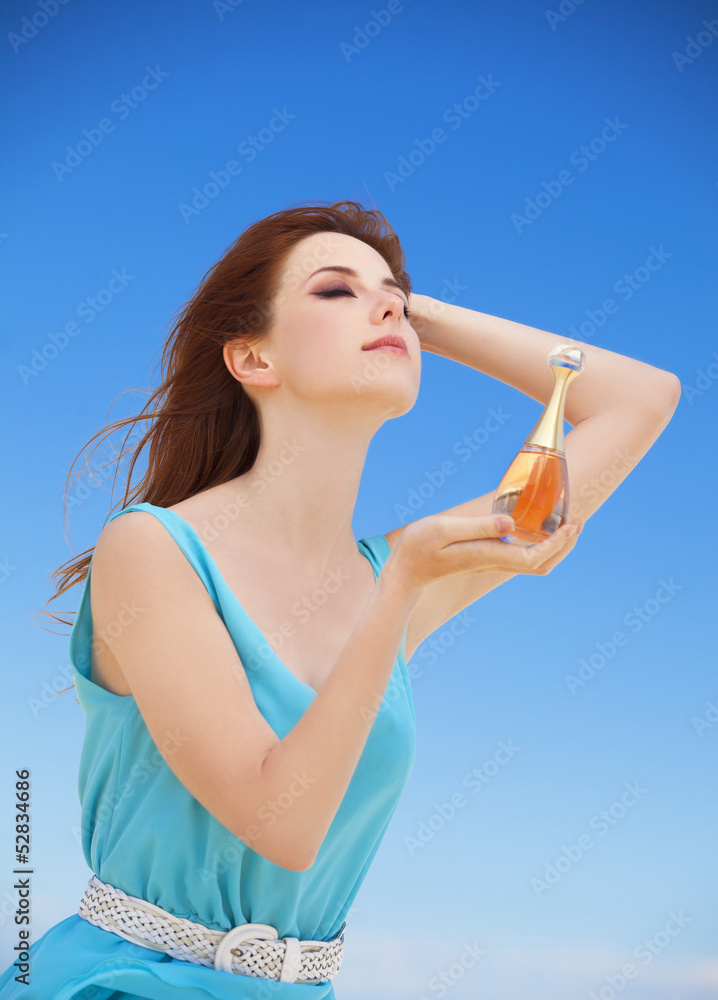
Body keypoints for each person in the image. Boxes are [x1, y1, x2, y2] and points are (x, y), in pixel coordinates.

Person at [0, 200, 680, 998]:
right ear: (253, 359)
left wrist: (409, 311)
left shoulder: (403, 567)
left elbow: (641, 396)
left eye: (391, 294)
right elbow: (279, 823)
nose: (384, 304)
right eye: (332, 292)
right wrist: (398, 592)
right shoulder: (152, 548)